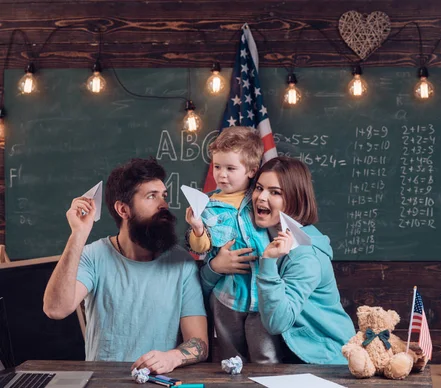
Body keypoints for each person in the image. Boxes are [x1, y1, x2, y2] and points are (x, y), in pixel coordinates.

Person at [43, 158, 209, 374]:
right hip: (102, 383)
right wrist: (78, 235)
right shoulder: (94, 256)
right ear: (123, 209)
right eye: (151, 196)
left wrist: (173, 357)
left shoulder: (182, 263)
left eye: (163, 196)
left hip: (158, 382)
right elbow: (55, 309)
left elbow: (200, 344)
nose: (164, 205)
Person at [213, 156, 356, 364]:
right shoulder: (259, 237)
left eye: (275, 192)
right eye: (259, 188)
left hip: (324, 359)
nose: (261, 198)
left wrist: (268, 262)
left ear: (295, 199)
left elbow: (277, 322)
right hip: (286, 356)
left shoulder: (306, 256)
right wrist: (214, 267)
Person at [185, 126, 281, 363]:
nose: (221, 175)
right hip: (227, 297)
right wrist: (198, 228)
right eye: (217, 167)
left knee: (266, 357)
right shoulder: (207, 205)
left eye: (230, 168)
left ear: (251, 170)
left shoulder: (260, 197)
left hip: (262, 296)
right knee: (231, 358)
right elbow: (200, 247)